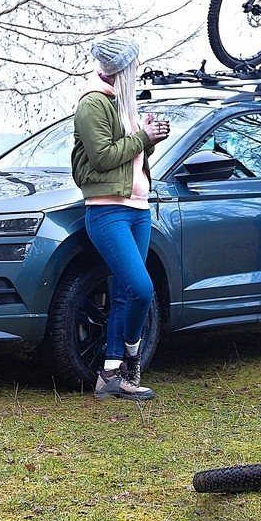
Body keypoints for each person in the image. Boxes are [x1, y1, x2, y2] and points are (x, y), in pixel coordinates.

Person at [71, 35, 170, 401]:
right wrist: (141, 137)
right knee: (141, 288)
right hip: (107, 211)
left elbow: (130, 162)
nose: (138, 68)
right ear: (121, 67)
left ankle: (111, 377)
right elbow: (101, 157)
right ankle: (131, 359)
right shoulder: (93, 103)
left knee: (128, 293)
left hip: (138, 209)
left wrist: (151, 138)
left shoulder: (122, 103)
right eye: (134, 63)